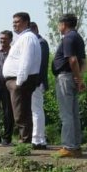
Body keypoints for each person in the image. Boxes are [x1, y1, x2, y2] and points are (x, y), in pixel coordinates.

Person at [2, 12, 41, 144]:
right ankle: (23, 141)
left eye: (17, 22)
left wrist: (19, 81)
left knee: (21, 114)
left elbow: (26, 60)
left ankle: (24, 143)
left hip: (21, 81)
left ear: (26, 22)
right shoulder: (23, 38)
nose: (14, 24)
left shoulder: (28, 38)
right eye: (13, 22)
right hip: (17, 81)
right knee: (21, 112)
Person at [52, 13, 86, 157]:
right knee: (73, 114)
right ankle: (76, 146)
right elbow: (83, 61)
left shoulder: (68, 38)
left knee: (66, 114)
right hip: (72, 77)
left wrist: (76, 77)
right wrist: (79, 78)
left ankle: (68, 146)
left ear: (64, 24)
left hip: (65, 77)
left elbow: (72, 60)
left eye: (59, 24)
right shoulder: (78, 37)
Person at [29, 21, 50, 150]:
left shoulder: (40, 43)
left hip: (36, 82)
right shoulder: (37, 42)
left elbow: (41, 65)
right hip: (35, 81)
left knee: (36, 110)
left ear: (35, 29)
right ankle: (38, 138)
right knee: (36, 110)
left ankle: (38, 139)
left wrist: (36, 82)